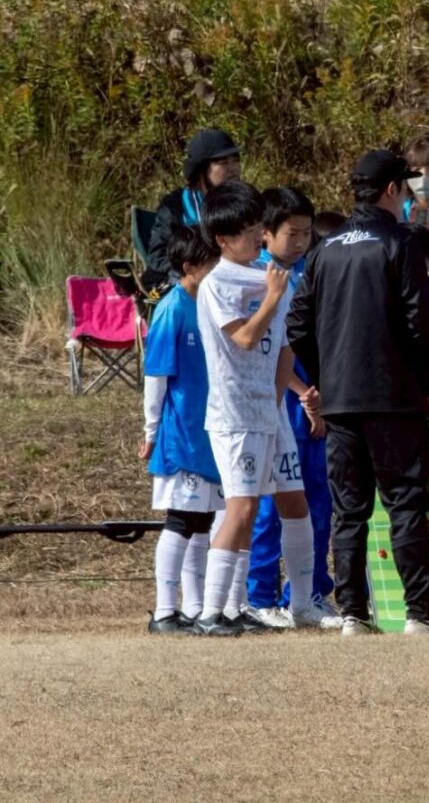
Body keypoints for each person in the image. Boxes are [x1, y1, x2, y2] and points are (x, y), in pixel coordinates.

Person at [287, 150, 429, 636]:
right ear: (393, 189)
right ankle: (418, 613)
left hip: (340, 400)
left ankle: (353, 613)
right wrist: (424, 385)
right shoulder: (400, 243)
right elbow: (419, 324)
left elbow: (298, 321)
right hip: (393, 396)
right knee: (404, 502)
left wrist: (324, 374)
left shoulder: (325, 247)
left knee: (349, 509)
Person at [191, 181, 315, 636]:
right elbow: (244, 337)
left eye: (257, 228)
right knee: (241, 509)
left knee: (293, 499)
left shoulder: (268, 275)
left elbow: (282, 345)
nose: (256, 236)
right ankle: (211, 612)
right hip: (234, 412)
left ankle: (299, 604)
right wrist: (271, 297)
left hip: (269, 411)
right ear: (223, 240)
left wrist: (282, 396)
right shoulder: (218, 283)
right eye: (245, 232)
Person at [245, 188, 340, 629]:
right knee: (269, 505)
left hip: (317, 405)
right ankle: (259, 596)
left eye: (306, 232)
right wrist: (302, 392)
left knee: (316, 501)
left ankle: (309, 592)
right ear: (266, 234)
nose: (300, 241)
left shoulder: (317, 270)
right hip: (276, 404)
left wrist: (320, 395)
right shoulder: (254, 278)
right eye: (291, 233)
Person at [140, 227, 222, 633]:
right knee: (180, 519)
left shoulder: (207, 303)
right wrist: (151, 430)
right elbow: (156, 376)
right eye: (211, 263)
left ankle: (193, 607)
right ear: (189, 267)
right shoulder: (171, 309)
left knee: (203, 520)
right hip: (181, 432)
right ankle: (163, 611)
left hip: (209, 430)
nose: (218, 269)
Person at [144, 128, 242, 290]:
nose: (233, 168)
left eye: (235, 161)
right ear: (201, 170)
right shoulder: (176, 206)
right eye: (223, 163)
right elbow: (158, 255)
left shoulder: (245, 201)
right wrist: (195, 273)